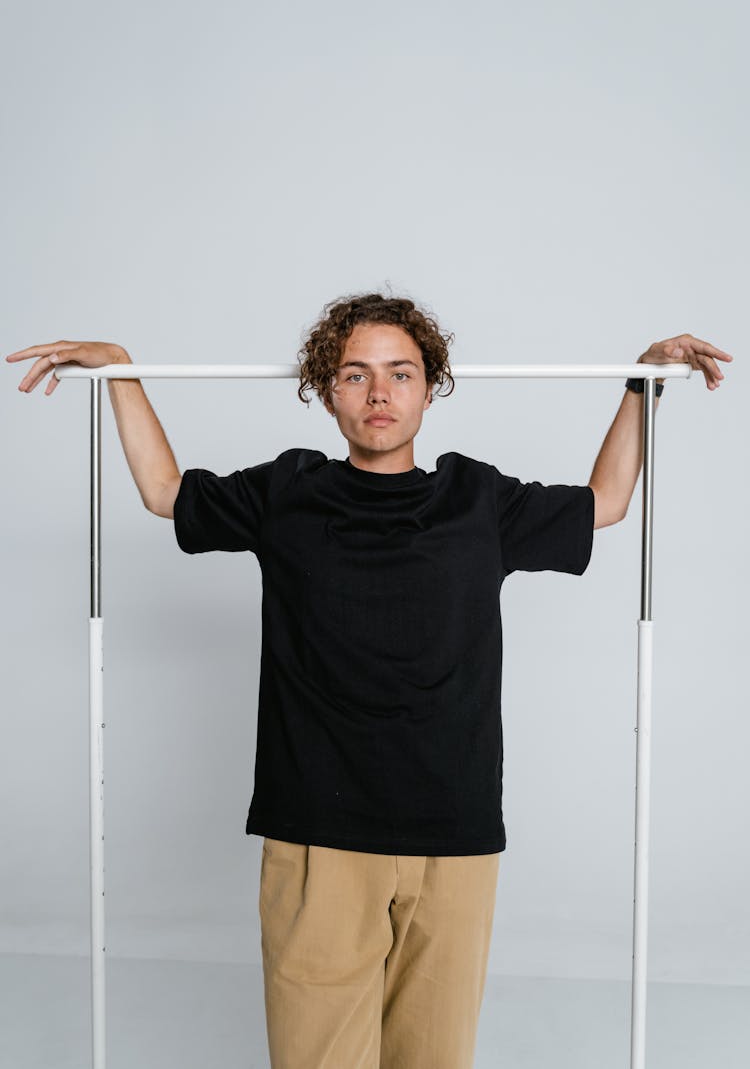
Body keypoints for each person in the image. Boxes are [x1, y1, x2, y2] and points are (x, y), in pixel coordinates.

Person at [7, 294, 732, 1069]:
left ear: (429, 388)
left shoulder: (478, 498)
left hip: (452, 839)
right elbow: (165, 492)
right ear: (328, 391)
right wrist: (121, 369)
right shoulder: (287, 492)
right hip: (319, 833)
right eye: (356, 374)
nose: (379, 393)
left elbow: (608, 502)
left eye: (400, 373)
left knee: (434, 1059)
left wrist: (641, 383)